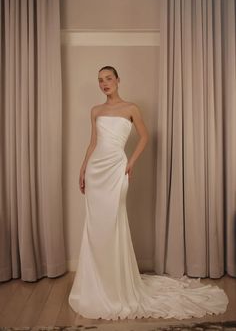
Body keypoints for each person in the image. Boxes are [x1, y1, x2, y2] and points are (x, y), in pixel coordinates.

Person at [68, 66, 228, 320]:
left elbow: (144, 137)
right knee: (95, 227)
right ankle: (96, 285)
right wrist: (82, 168)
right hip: (96, 171)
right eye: (100, 80)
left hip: (116, 169)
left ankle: (116, 287)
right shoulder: (95, 111)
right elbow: (93, 143)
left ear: (118, 80)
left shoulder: (131, 108)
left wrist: (130, 162)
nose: (104, 83)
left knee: (113, 223)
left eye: (109, 78)